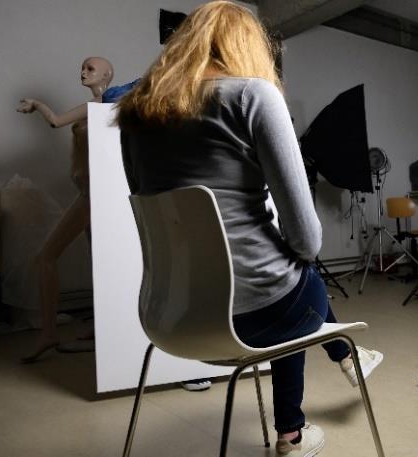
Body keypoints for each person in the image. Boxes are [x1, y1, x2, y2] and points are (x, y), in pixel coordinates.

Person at [115, 2, 382, 455]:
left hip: (170, 316)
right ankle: (294, 430)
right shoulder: (253, 95)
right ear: (245, 46)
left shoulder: (135, 113)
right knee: (299, 283)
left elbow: (145, 198)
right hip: (257, 318)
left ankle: (342, 367)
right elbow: (308, 239)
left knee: (289, 287)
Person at [16, 56, 114, 363]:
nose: (83, 72)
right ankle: (103, 328)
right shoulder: (103, 109)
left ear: (107, 75)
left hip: (95, 195)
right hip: (88, 192)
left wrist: (37, 104)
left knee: (46, 257)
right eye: (82, 68)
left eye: (90, 68)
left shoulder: (101, 107)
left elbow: (55, 121)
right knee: (100, 264)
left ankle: (49, 334)